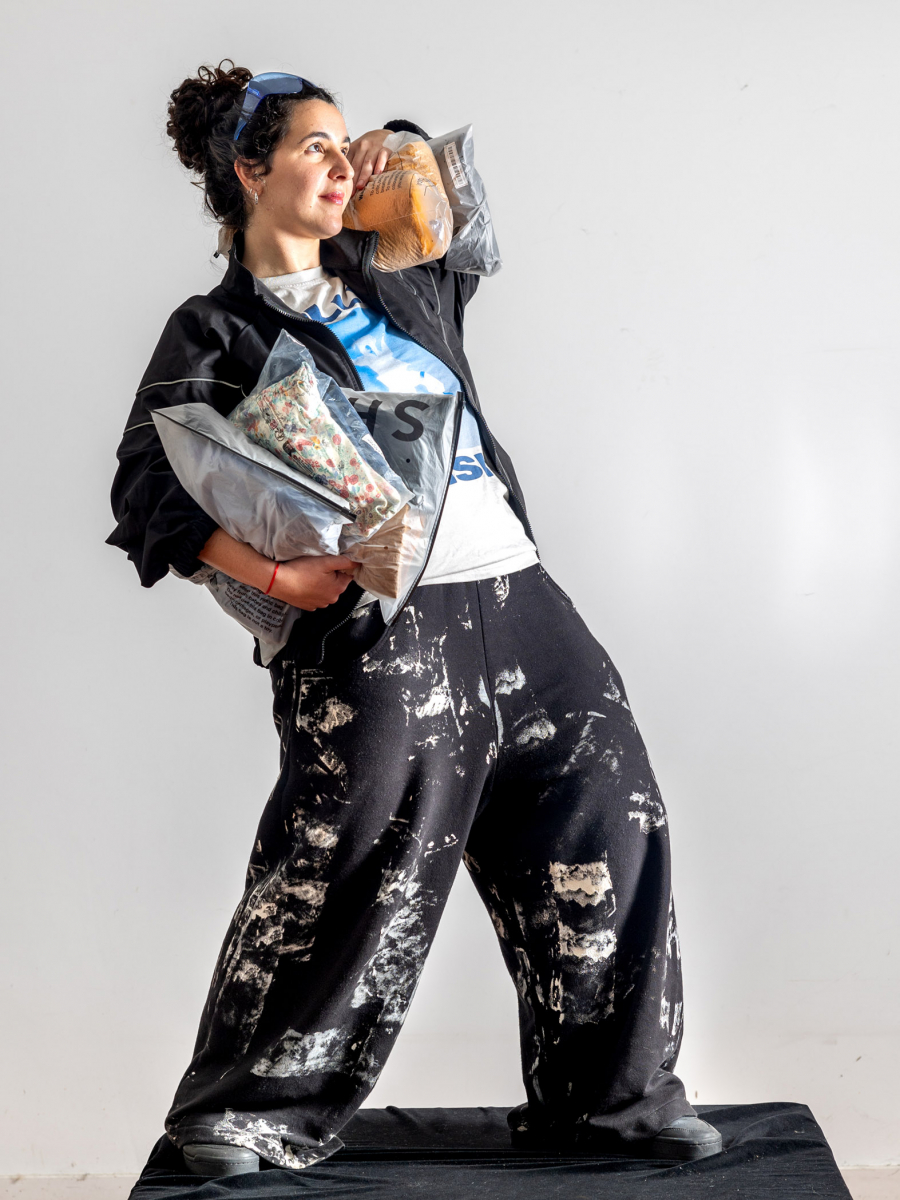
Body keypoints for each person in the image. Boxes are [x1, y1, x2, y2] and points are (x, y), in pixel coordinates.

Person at [107, 61, 722, 1177]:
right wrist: (278, 579)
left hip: (522, 596)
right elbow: (147, 490)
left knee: (609, 820)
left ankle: (613, 1102)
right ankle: (243, 1114)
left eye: (341, 146)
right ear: (248, 171)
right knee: (355, 863)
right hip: (384, 628)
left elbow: (448, 200)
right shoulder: (215, 330)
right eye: (312, 147)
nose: (337, 166)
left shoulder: (398, 276)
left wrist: (385, 140)